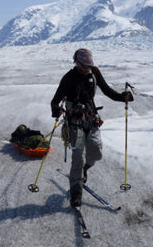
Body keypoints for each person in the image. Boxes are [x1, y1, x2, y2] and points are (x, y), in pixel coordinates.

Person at [51, 48, 133, 208]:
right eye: (84, 66)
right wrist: (56, 109)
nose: (87, 68)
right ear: (77, 62)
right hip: (74, 121)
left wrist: (122, 97)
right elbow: (55, 100)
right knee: (78, 157)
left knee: (96, 152)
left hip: (91, 118)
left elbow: (107, 90)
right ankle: (76, 193)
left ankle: (84, 170)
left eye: (89, 65)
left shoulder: (94, 72)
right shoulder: (68, 78)